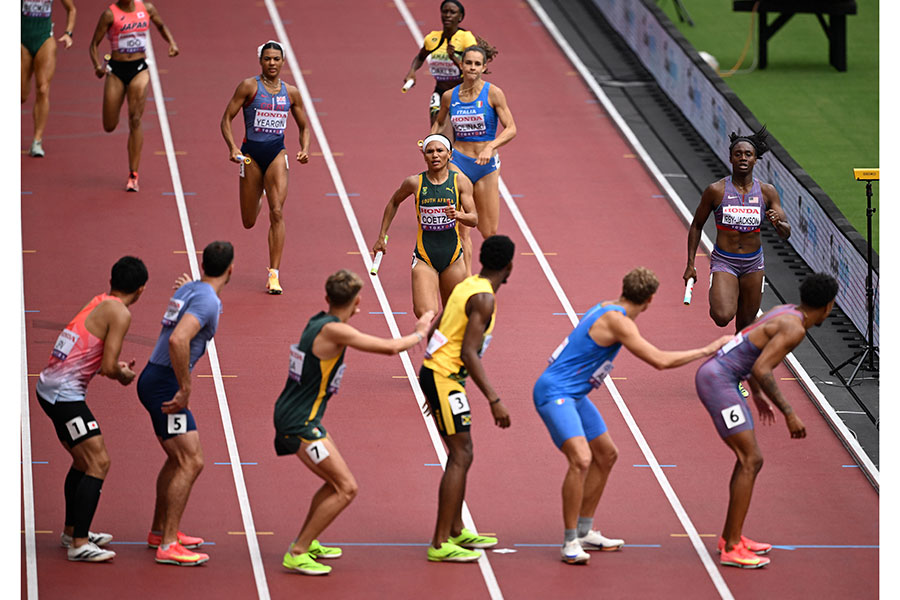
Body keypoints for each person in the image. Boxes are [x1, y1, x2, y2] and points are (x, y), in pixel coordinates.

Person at [533, 267, 731, 565]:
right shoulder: (620, 323)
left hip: (573, 395)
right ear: (650, 300)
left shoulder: (606, 306)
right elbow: (660, 361)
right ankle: (570, 541)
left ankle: (585, 531)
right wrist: (708, 348)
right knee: (581, 459)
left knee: (607, 455)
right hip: (555, 393)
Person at [276, 270, 434, 576]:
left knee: (334, 481)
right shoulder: (336, 331)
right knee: (347, 488)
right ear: (357, 301)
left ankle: (308, 542)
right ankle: (297, 551)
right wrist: (420, 331)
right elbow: (389, 348)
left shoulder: (318, 321)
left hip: (302, 416)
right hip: (299, 422)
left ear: (327, 298)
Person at [695, 273, 838, 569]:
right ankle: (732, 547)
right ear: (828, 306)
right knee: (751, 459)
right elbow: (762, 367)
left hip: (722, 375)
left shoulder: (784, 311)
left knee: (748, 459)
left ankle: (730, 538)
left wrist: (757, 395)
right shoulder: (795, 328)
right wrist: (790, 414)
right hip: (719, 381)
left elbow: (751, 348)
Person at [35, 256, 148, 562]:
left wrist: (110, 366)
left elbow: (84, 350)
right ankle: (79, 544)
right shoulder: (121, 313)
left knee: (84, 462)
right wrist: (122, 373)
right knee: (99, 462)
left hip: (51, 388)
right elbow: (110, 367)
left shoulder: (99, 301)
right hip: (64, 395)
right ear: (140, 290)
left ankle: (72, 531)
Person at [136, 241, 234, 566]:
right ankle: (168, 545)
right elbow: (179, 339)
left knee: (177, 459)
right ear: (230, 269)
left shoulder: (193, 289)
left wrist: (188, 288)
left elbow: (189, 296)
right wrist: (185, 388)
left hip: (154, 376)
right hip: (165, 383)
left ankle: (159, 532)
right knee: (192, 461)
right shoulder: (206, 300)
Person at [420, 234, 514, 563]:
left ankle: (457, 529)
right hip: (444, 377)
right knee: (461, 454)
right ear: (510, 267)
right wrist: (494, 399)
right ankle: (439, 542)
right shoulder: (484, 299)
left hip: (440, 376)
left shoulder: (466, 284)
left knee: (463, 452)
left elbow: (436, 330)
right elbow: (468, 352)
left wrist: (428, 381)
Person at [684, 126, 790, 398]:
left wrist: (780, 224)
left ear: (755, 159)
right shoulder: (716, 191)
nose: (743, 158)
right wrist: (690, 264)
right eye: (738, 154)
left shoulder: (766, 193)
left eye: (748, 154)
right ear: (730, 158)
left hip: (754, 265)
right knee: (721, 316)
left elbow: (786, 232)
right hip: (725, 262)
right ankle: (716, 287)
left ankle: (733, 375)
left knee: (744, 328)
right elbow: (696, 225)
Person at [220, 40, 310, 295]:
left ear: (283, 62)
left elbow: (304, 126)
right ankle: (259, 192)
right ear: (261, 61)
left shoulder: (290, 92)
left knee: (278, 212)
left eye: (276, 59)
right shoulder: (249, 86)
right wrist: (232, 147)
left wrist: (304, 148)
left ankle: (274, 274)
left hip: (276, 154)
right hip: (250, 156)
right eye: (267, 58)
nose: (272, 63)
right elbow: (226, 118)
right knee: (248, 221)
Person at [372, 134, 477, 318]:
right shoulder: (414, 182)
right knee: (426, 313)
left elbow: (474, 219)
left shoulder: (460, 182)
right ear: (424, 156)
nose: (435, 155)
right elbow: (394, 202)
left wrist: (458, 215)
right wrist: (382, 236)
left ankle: (443, 344)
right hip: (424, 256)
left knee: (455, 313)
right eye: (430, 151)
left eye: (439, 151)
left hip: (453, 257)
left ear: (450, 155)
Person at [432, 45, 514, 276]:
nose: (472, 68)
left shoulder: (494, 93)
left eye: (478, 64)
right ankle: (466, 281)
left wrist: (491, 146)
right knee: (461, 228)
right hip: (458, 161)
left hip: (485, 166)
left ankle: (492, 275)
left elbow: (511, 128)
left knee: (488, 231)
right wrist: (432, 142)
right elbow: (439, 122)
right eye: (469, 63)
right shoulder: (450, 96)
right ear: (461, 65)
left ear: (484, 67)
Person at [88, 0, 178, 192]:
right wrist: (97, 66)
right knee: (109, 125)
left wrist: (171, 43)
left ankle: (133, 174)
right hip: (116, 69)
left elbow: (161, 26)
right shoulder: (109, 15)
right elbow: (93, 45)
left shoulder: (147, 8)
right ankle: (132, 172)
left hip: (139, 68)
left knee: (135, 119)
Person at [402, 0, 477, 134]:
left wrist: (454, 57)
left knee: (462, 135)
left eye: (452, 12)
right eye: (445, 11)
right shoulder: (432, 38)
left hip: (462, 93)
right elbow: (420, 57)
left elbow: (473, 68)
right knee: (436, 131)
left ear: (460, 17)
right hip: (440, 91)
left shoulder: (466, 38)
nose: (448, 15)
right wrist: (412, 72)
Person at [21, 0, 77, 157]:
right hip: (21, 39)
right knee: (21, 94)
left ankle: (37, 141)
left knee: (43, 88)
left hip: (44, 38)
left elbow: (71, 9)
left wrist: (68, 33)